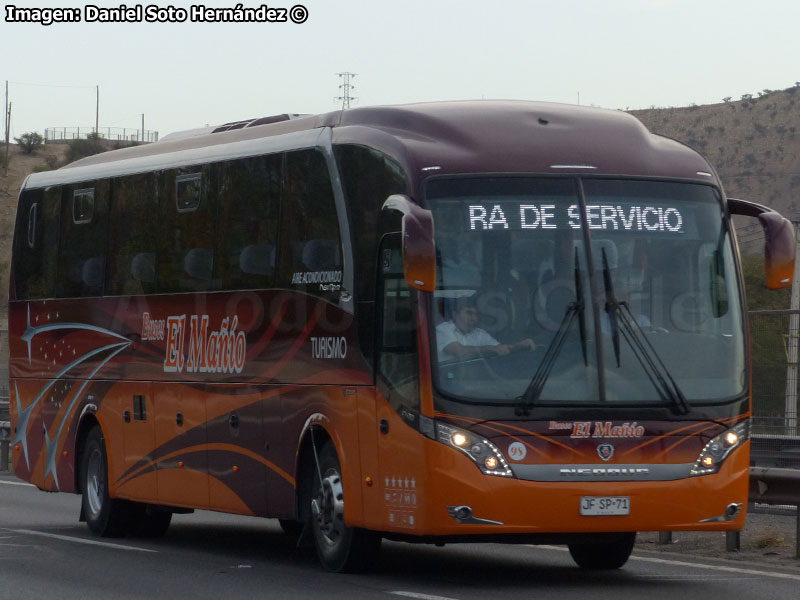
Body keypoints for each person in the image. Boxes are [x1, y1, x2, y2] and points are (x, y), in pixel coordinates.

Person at [437, 296, 536, 362]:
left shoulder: (479, 333)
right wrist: (492, 349)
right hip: (446, 380)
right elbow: (459, 351)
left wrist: (520, 345)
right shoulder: (443, 329)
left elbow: (500, 349)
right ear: (455, 315)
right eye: (469, 313)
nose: (474, 318)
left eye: (476, 314)